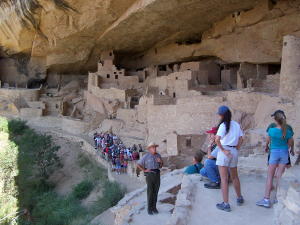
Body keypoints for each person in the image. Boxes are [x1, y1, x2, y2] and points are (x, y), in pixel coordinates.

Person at [256, 110, 294, 208]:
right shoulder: (288, 131)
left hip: (274, 153)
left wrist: (267, 146)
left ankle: (266, 199)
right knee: (279, 177)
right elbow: (290, 143)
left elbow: (268, 140)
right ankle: (277, 199)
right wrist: (286, 148)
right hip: (284, 153)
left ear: (276, 120)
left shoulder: (272, 130)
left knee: (270, 176)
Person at [215, 105, 244, 212]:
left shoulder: (223, 125)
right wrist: (237, 148)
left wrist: (223, 150)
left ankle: (226, 204)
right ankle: (239, 197)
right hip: (234, 151)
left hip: (225, 152)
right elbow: (241, 138)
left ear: (221, 115)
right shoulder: (236, 124)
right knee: (235, 176)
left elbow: (217, 140)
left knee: (224, 179)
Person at [137, 142, 163, 215]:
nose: (154, 148)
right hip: (150, 175)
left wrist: (161, 162)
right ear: (149, 149)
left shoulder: (158, 155)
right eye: (153, 147)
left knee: (156, 192)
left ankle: (154, 208)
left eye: (155, 147)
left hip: (157, 174)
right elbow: (138, 164)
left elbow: (161, 166)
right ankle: (149, 209)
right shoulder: (146, 156)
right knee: (150, 192)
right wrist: (144, 170)